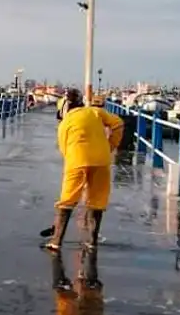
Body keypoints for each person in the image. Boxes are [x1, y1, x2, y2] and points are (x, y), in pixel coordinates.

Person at [43, 88, 124, 251]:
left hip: (77, 161)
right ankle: (92, 241)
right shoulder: (95, 112)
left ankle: (56, 241)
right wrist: (110, 145)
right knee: (97, 200)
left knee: (67, 200)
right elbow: (118, 124)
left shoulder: (65, 123)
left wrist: (73, 159)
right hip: (102, 160)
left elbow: (64, 148)